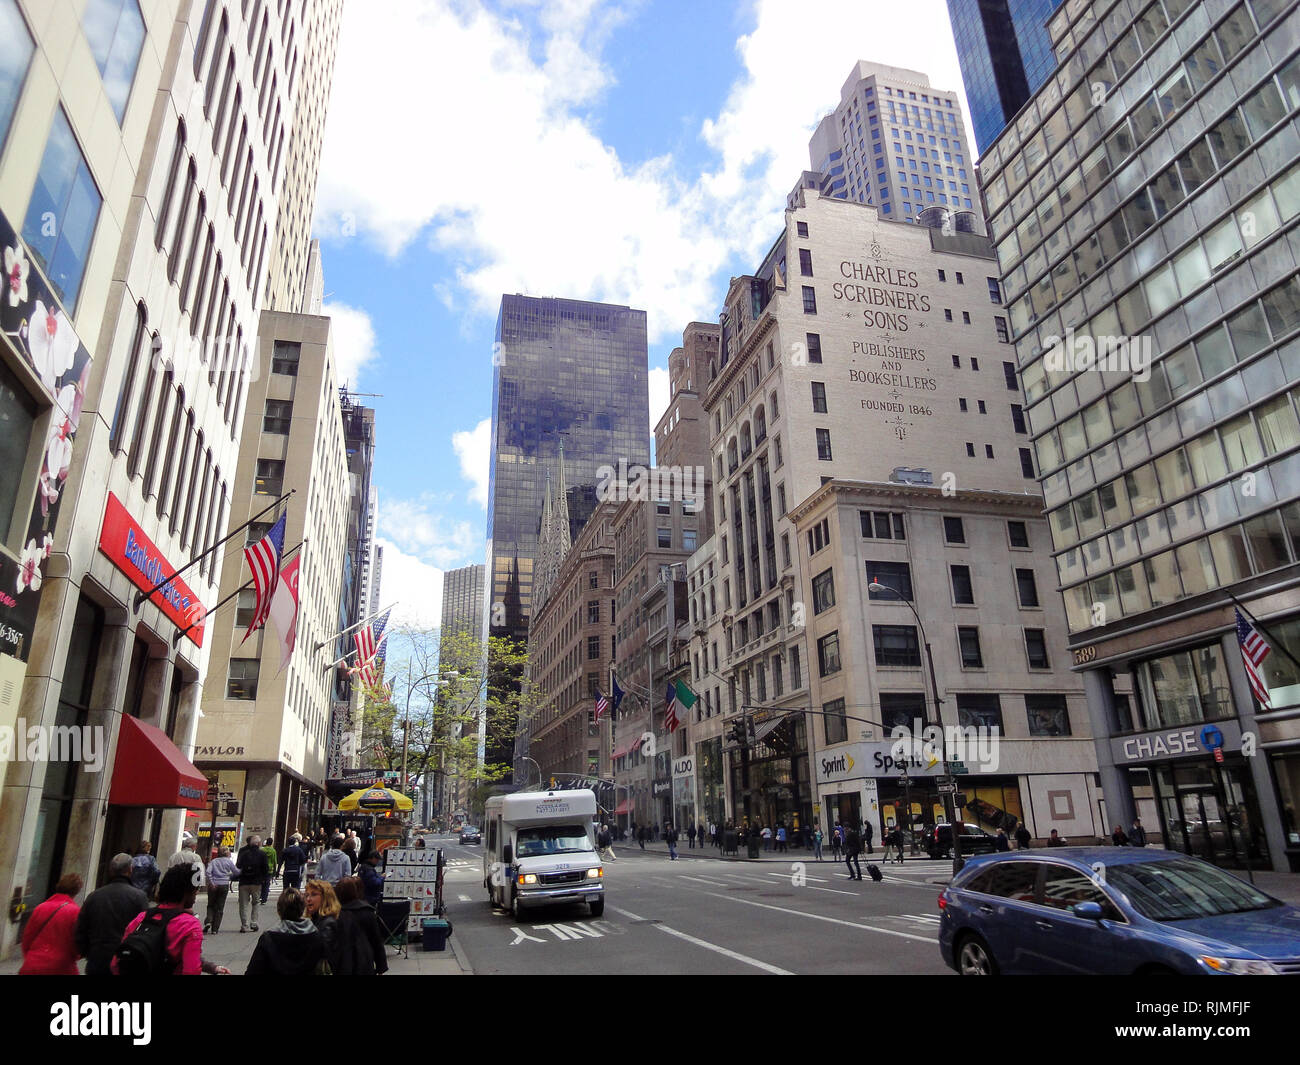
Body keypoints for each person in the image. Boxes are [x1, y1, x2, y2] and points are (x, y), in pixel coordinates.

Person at [114, 864, 205, 975]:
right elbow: (191, 970)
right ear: (187, 892)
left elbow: (115, 963)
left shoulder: (142, 917)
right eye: (196, 889)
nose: (197, 893)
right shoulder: (190, 925)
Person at [76, 854, 149, 975]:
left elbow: (81, 929)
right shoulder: (139, 897)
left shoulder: (94, 896)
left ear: (111, 870)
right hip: (125, 959)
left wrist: (87, 952)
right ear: (130, 869)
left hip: (97, 958)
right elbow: (143, 931)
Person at [245, 887, 325, 976]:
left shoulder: (269, 938)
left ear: (279, 910)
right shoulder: (316, 936)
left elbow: (253, 970)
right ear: (302, 909)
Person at [20, 873, 83, 975]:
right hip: (62, 966)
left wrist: (31, 957)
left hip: (33, 965)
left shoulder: (40, 908)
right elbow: (76, 945)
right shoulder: (75, 912)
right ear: (76, 891)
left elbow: (27, 938)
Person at [333, 876, 388, 975]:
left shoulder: (336, 914)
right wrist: (381, 966)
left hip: (343, 962)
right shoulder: (367, 911)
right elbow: (376, 940)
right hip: (364, 960)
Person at [304, 879, 342, 972]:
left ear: (325, 898)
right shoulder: (316, 919)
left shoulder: (328, 923)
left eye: (313, 895)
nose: (308, 899)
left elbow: (320, 952)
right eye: (306, 895)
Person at [235, 834, 270, 932]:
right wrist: (263, 879)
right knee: (256, 902)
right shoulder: (262, 854)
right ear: (258, 844)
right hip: (256, 882)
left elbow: (238, 866)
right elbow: (266, 868)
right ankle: (253, 922)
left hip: (244, 882)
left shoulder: (243, 853)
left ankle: (244, 925)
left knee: (243, 904)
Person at [205, 845, 237, 934]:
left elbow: (208, 872)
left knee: (210, 904)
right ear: (226, 853)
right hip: (224, 885)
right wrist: (229, 875)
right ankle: (215, 929)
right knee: (220, 906)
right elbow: (235, 871)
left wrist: (211, 882)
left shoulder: (213, 861)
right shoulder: (229, 862)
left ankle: (209, 920)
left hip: (214, 884)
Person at [259, 836, 279, 904]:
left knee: (260, 883)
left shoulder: (262, 850)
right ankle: (264, 899)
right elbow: (274, 861)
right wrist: (275, 871)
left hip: (261, 869)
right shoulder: (273, 851)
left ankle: (260, 896)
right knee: (267, 884)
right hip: (269, 869)